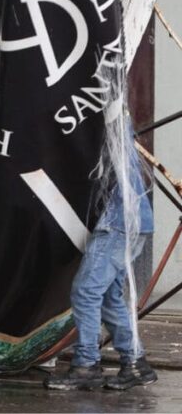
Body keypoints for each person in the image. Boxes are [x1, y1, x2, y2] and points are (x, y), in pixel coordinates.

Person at [45, 150, 157, 391]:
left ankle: (86, 366)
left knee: (86, 292)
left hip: (117, 223)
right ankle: (136, 364)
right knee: (108, 297)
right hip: (132, 220)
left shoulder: (105, 130)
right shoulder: (119, 134)